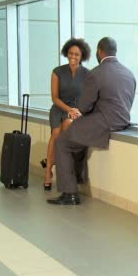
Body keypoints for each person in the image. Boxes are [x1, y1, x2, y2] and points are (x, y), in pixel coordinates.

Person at [47, 37, 136, 205]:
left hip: (104, 121)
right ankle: (77, 178)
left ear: (100, 51)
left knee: (62, 142)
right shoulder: (128, 73)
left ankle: (70, 193)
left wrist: (79, 113)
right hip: (123, 120)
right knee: (76, 136)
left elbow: (84, 105)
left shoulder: (96, 73)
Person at [42, 38, 90, 191]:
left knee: (64, 135)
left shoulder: (88, 74)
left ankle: (54, 165)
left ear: (82, 56)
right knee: (55, 133)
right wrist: (68, 109)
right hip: (59, 108)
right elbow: (54, 97)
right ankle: (48, 172)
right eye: (70, 53)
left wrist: (78, 111)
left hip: (76, 112)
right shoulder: (57, 72)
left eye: (76, 54)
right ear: (66, 53)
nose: (73, 57)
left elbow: (88, 97)